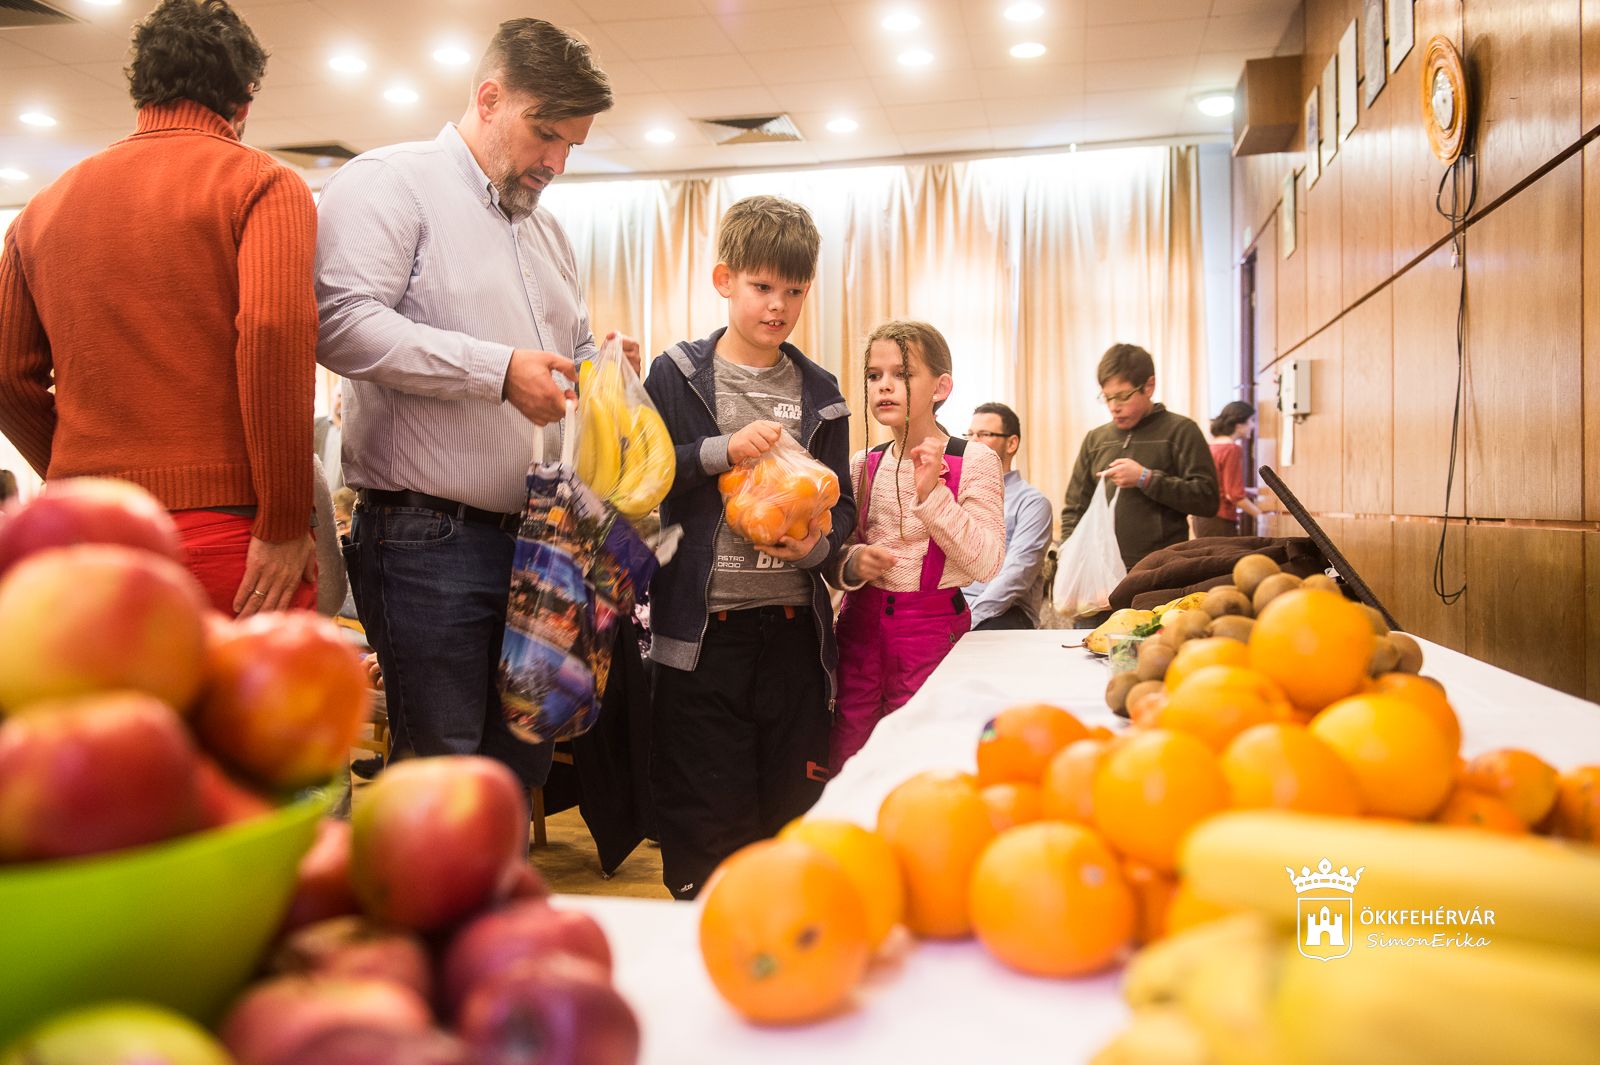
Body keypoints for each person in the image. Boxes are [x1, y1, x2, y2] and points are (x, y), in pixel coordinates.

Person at [315, 18, 630, 792]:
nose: (556, 161)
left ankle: (500, 914)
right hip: (427, 541)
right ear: (488, 98)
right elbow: (339, 323)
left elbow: (574, 346)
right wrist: (496, 371)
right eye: (545, 135)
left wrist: (604, 369)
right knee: (443, 780)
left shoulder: (549, 232)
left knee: (519, 772)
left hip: (540, 542)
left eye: (571, 147)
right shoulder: (391, 182)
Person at [0, 0, 316, 617]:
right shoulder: (262, 183)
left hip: (80, 539)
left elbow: (7, 374)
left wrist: (79, 473)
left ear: (140, 87)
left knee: (99, 715)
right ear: (243, 101)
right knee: (243, 716)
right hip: (225, 532)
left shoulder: (40, 209)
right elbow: (274, 331)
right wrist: (281, 523)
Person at [643, 195, 856, 900]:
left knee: (788, 826)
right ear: (723, 279)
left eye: (795, 291)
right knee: (710, 829)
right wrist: (719, 449)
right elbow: (642, 480)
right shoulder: (675, 375)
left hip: (795, 641)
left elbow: (842, 513)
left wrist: (819, 548)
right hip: (702, 642)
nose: (779, 306)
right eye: (764, 287)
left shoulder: (821, 392)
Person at [828, 321, 1005, 771]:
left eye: (902, 374)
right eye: (874, 375)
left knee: (926, 756)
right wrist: (851, 564)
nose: (884, 385)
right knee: (852, 754)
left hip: (932, 631)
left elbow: (986, 562)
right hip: (860, 627)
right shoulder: (861, 463)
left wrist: (932, 496)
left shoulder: (973, 459)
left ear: (941, 386)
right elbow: (836, 553)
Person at [1058, 343, 1219, 571]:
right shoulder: (1096, 439)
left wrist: (1147, 479)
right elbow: (1075, 506)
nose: (1114, 407)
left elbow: (1207, 500)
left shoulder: (1181, 431)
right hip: (1100, 570)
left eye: (1123, 396)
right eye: (1107, 398)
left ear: (1149, 386)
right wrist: (1068, 552)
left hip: (1161, 568)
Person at [962, 402, 1053, 629]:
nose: (973, 442)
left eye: (984, 434)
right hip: (954, 606)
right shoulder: (957, 495)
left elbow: (1017, 574)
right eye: (970, 434)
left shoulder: (1032, 503)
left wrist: (969, 620)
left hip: (1004, 611)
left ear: (1011, 443)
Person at [1195, 400, 1273, 537]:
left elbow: (1220, 487)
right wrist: (1261, 516)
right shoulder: (1231, 449)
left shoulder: (1210, 447)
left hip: (1202, 519)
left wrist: (1254, 491)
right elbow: (1233, 495)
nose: (1253, 426)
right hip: (1220, 521)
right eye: (1251, 421)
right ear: (1239, 425)